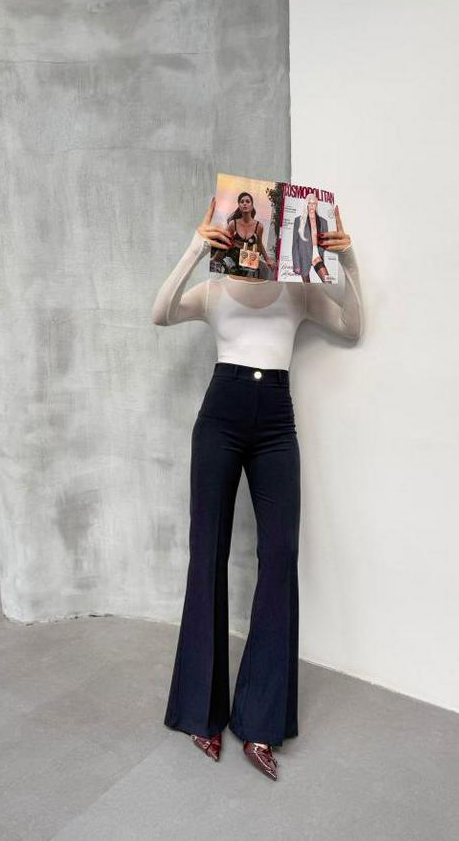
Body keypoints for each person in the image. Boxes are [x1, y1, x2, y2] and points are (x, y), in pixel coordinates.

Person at [151, 196, 364, 780]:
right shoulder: (216, 289)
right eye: (245, 218)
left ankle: (261, 720)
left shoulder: (297, 290)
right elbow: (160, 313)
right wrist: (195, 248)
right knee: (208, 553)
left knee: (281, 556)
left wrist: (348, 262)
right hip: (219, 417)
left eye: (262, 220)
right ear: (239, 226)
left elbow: (352, 326)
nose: (254, 226)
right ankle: (200, 710)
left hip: (275, 422)